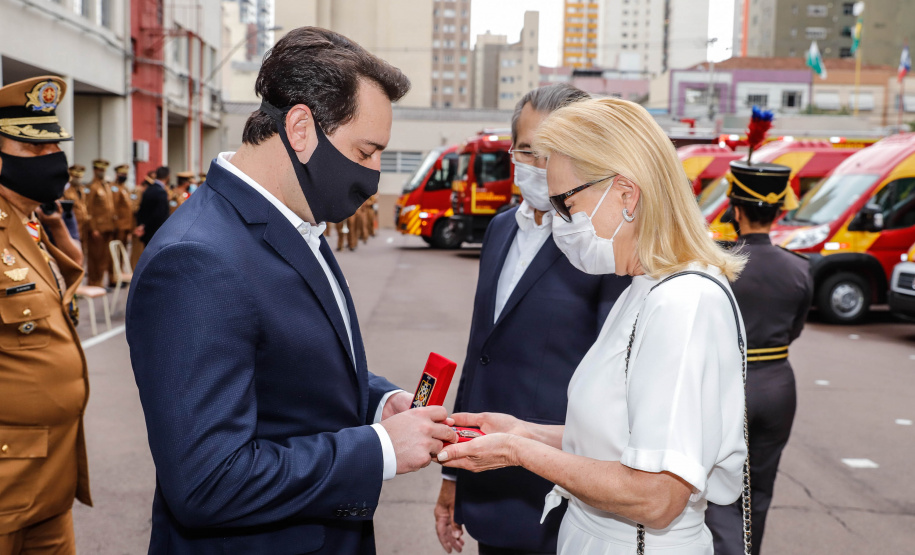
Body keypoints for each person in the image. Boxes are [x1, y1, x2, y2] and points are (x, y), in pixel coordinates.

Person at [126, 27, 457, 553]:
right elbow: (208, 481)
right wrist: (378, 450)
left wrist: (378, 404)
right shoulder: (197, 260)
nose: (373, 176)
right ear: (300, 128)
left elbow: (288, 360)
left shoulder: (292, 220)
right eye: (366, 152)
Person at [437, 98, 749, 555]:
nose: (560, 222)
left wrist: (520, 453)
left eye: (567, 203)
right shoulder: (645, 287)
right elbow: (621, 440)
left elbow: (657, 493)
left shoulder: (683, 302)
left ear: (626, 194)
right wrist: (525, 432)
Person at [435, 84, 630, 555]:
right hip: (488, 479)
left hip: (566, 491)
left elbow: (616, 381)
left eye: (554, 152)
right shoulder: (501, 228)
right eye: (528, 150)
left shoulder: (602, 244)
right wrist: (452, 472)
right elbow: (481, 350)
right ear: (511, 151)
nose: (540, 166)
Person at [0, 75, 91, 554]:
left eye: (54, 147)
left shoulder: (32, 224)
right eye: (32, 150)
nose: (52, 160)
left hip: (52, 473)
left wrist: (57, 229)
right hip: (7, 478)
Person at [705, 161, 813, 555]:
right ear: (779, 210)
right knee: (760, 490)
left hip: (727, 384)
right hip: (778, 385)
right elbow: (796, 329)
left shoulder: (716, 262)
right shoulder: (799, 267)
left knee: (715, 488)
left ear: (734, 209)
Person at [85, 159, 115, 286]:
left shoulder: (106, 185)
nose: (101, 172)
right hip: (97, 228)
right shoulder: (92, 187)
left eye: (103, 170)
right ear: (94, 170)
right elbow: (88, 208)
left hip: (107, 227)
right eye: (99, 169)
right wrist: (93, 228)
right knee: (95, 258)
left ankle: (100, 282)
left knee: (104, 257)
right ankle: (94, 282)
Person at [133, 166, 169, 246]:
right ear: (167, 177)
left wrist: (142, 225)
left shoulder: (148, 189)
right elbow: (160, 215)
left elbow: (141, 210)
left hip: (147, 232)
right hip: (156, 233)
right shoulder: (161, 192)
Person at [111, 164, 134, 246]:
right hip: (119, 224)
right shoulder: (113, 187)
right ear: (117, 174)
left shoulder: (125, 188)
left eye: (125, 174)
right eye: (122, 174)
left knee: (123, 248)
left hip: (127, 224)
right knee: (117, 247)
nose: (124, 176)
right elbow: (114, 206)